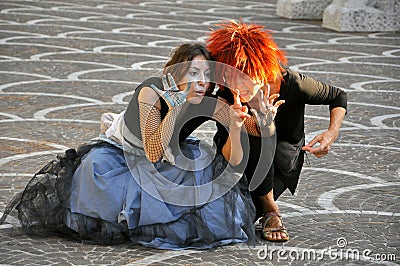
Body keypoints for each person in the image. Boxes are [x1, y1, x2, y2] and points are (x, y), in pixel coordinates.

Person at [0, 43, 258, 250]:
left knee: (199, 171)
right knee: (98, 171)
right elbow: (153, 152)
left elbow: (244, 142)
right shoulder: (151, 91)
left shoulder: (205, 98)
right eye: (193, 73)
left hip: (170, 154)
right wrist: (176, 108)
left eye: (206, 75)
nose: (202, 81)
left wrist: (249, 121)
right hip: (129, 153)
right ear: (175, 75)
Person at [206, 20, 347, 242]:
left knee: (238, 216)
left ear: (259, 69)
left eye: (243, 77)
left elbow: (337, 96)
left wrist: (331, 133)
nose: (235, 85)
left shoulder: (291, 84)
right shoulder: (224, 92)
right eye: (229, 77)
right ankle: (264, 207)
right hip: (233, 165)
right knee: (214, 220)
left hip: (281, 164)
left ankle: (270, 209)